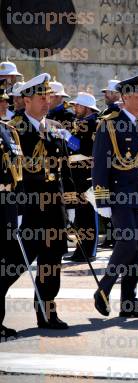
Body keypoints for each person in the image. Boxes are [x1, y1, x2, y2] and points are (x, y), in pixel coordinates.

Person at [92, 75, 138, 318]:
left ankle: (129, 302)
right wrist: (102, 198)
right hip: (118, 195)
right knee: (128, 242)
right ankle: (104, 288)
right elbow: (100, 163)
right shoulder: (109, 124)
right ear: (125, 97)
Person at [9, 73, 72, 329]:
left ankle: (47, 313)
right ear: (26, 100)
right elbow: (10, 174)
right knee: (12, 265)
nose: (47, 101)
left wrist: (71, 205)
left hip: (53, 210)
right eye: (40, 97)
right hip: (28, 210)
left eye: (48, 96)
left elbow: (64, 172)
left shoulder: (55, 128)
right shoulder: (12, 129)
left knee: (51, 265)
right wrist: (17, 208)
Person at [63, 92, 100, 263]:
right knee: (81, 215)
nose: (75, 108)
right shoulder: (83, 123)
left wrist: (68, 137)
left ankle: (89, 250)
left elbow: (86, 149)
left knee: (88, 214)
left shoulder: (94, 123)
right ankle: (82, 248)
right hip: (78, 173)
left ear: (86, 107)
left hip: (87, 173)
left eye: (78, 105)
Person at [0, 119, 25, 339]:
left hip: (7, 201)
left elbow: (17, 169)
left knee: (11, 262)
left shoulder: (7, 130)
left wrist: (19, 205)